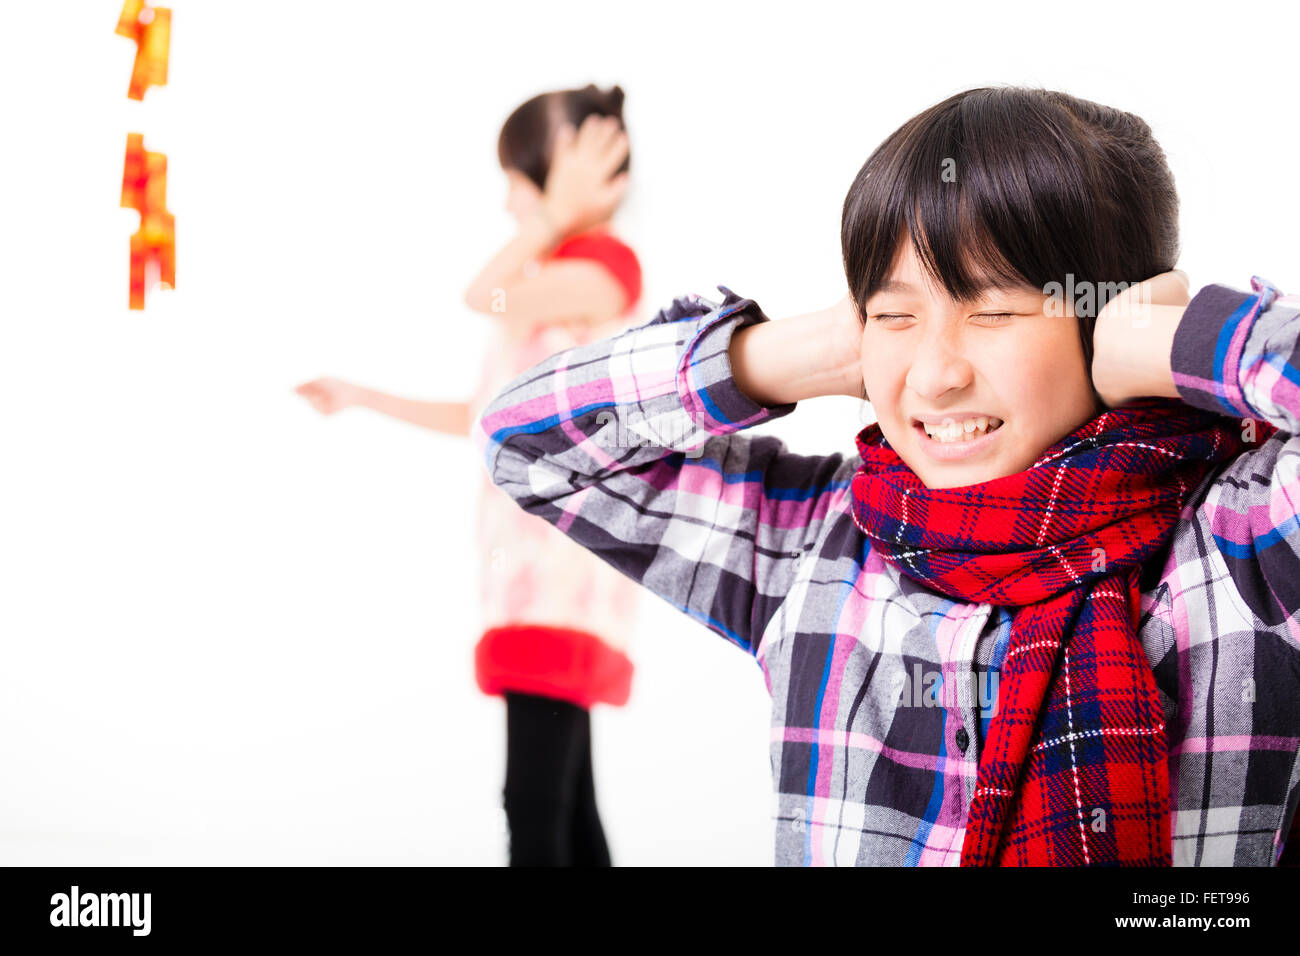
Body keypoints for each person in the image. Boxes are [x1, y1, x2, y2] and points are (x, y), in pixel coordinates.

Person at [471, 86, 1300, 866]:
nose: (933, 375)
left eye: (995, 310)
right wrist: (788, 354)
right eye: (893, 313)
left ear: (1108, 317)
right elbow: (527, 441)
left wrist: (1181, 344)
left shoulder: (1244, 549)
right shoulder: (816, 545)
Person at [296, 84, 644, 866]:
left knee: (535, 802)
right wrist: (363, 397)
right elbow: (485, 413)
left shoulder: (599, 273)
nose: (509, 197)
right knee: (566, 805)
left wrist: (557, 214)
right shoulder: (549, 283)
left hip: (559, 578)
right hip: (530, 574)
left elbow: (477, 293)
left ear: (573, 174)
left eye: (522, 175)